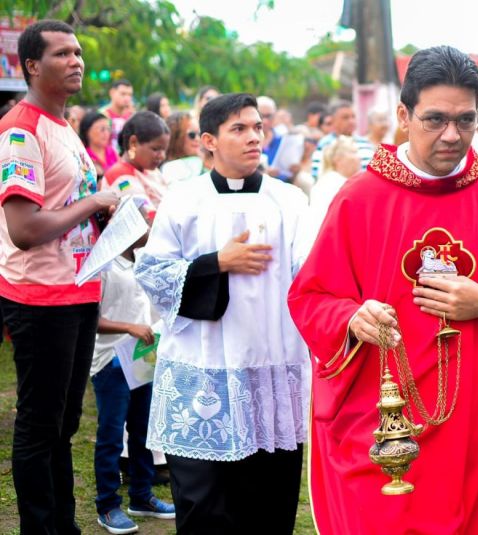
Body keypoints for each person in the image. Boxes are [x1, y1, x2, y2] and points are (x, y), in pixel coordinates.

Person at [288, 45, 478, 535]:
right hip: (382, 409)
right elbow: (311, 298)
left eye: (466, 120)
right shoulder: (360, 199)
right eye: (435, 119)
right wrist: (352, 318)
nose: (452, 135)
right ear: (404, 114)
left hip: (472, 419)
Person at [134, 93, 310, 533]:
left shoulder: (289, 201)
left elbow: (313, 280)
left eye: (258, 128)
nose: (255, 137)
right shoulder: (182, 199)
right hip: (203, 368)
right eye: (240, 129)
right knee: (203, 506)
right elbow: (153, 275)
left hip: (270, 367)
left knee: (267, 505)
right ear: (208, 141)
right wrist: (217, 263)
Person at [0, 20, 119, 533]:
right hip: (38, 296)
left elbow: (64, 206)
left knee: (64, 425)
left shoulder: (63, 126)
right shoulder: (20, 129)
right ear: (31, 65)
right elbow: (25, 228)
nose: (77, 61)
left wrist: (105, 216)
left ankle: (62, 523)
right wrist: (94, 201)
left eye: (78, 52)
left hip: (77, 289)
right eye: (62, 54)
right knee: (40, 424)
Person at [92, 232, 175, 534]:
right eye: (142, 223)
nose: (150, 228)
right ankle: (108, 506)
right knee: (112, 435)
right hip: (110, 361)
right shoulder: (104, 266)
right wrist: (129, 327)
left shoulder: (141, 260)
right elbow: (90, 316)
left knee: (142, 431)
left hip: (140, 359)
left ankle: (141, 496)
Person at [101, 111, 169, 220]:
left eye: (164, 150)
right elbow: (148, 217)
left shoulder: (152, 171)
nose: (162, 156)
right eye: (156, 149)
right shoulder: (120, 177)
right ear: (133, 143)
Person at [309, 135, 361, 236]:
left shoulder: (331, 181)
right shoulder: (334, 184)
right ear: (337, 159)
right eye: (353, 152)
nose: (359, 158)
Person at [310, 100, 374, 179]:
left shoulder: (365, 142)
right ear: (333, 120)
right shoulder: (326, 144)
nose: (351, 121)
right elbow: (316, 175)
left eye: (353, 117)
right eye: (345, 118)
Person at [162, 111, 203, 185]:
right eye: (192, 135)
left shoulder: (205, 161)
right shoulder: (169, 168)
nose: (198, 139)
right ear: (176, 137)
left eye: (200, 134)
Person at [80, 111, 118, 179]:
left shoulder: (112, 152)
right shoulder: (83, 156)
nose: (106, 133)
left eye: (108, 129)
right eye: (102, 129)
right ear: (87, 131)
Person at [100, 79, 134, 153]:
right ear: (112, 93)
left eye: (130, 95)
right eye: (123, 94)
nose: (127, 98)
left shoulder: (132, 117)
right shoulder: (101, 115)